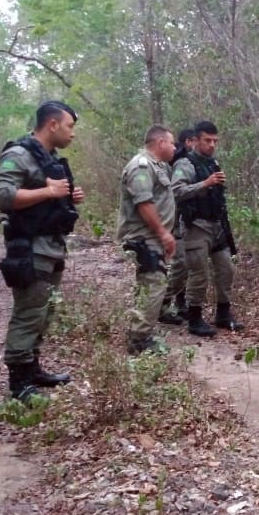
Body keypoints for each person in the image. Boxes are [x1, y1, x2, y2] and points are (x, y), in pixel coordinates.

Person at [0, 101, 84, 401]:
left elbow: (51, 198)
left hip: (51, 246)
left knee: (44, 312)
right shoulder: (18, 155)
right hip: (29, 248)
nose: (73, 133)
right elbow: (4, 196)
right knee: (29, 312)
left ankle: (32, 368)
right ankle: (19, 381)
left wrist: (68, 198)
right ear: (53, 125)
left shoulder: (49, 158)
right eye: (70, 126)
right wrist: (49, 192)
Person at [171, 120, 244, 335]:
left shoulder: (213, 163)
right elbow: (176, 191)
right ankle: (194, 318)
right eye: (207, 140)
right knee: (199, 272)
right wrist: (205, 183)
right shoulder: (185, 164)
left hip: (217, 226)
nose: (212, 145)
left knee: (226, 269)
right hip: (196, 226)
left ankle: (223, 313)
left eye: (215, 141)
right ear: (195, 141)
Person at [117, 125, 178, 355]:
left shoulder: (158, 167)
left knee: (151, 286)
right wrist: (163, 233)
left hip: (153, 237)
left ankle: (141, 333)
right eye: (171, 143)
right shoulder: (140, 166)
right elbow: (144, 203)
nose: (174, 147)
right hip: (144, 238)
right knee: (153, 286)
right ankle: (139, 341)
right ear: (160, 143)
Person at [158, 128, 198, 326]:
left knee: (186, 265)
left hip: (186, 221)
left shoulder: (191, 160)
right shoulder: (179, 162)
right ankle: (161, 303)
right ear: (189, 141)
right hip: (174, 221)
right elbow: (176, 192)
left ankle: (179, 303)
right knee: (180, 264)